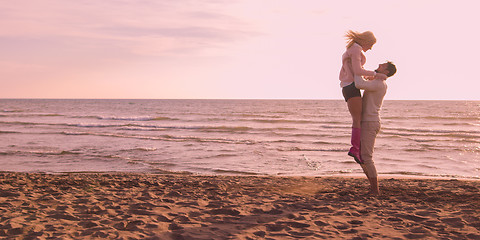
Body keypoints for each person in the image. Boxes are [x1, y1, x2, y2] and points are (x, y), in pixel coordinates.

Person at [339, 30, 388, 164]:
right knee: (357, 119)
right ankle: (355, 149)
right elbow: (357, 71)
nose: (371, 48)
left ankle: (357, 148)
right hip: (351, 86)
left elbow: (357, 71)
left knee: (357, 119)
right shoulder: (355, 49)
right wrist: (376, 75)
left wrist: (369, 76)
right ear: (366, 41)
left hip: (348, 85)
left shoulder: (353, 49)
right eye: (371, 44)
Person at [354, 61, 397, 195]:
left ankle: (375, 190)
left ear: (387, 72)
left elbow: (358, 84)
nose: (379, 65)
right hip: (366, 122)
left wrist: (357, 69)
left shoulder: (379, 84)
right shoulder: (377, 81)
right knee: (360, 156)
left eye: (382, 66)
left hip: (370, 122)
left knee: (366, 157)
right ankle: (373, 187)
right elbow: (364, 81)